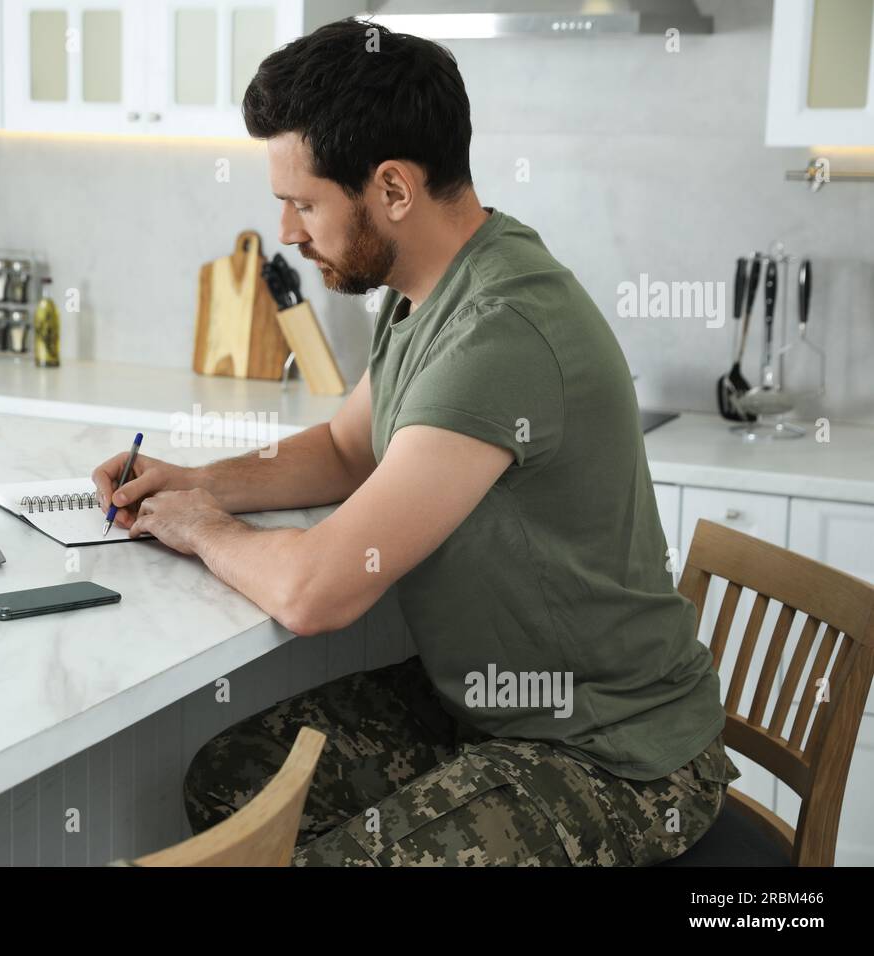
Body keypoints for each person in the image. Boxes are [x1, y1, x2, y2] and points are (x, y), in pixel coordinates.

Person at [91, 17, 739, 866]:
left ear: (392, 189)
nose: (287, 230)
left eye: (305, 201)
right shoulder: (424, 289)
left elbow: (318, 593)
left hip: (612, 755)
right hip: (488, 703)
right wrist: (198, 482)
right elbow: (345, 450)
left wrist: (198, 527)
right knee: (233, 779)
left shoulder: (500, 330)